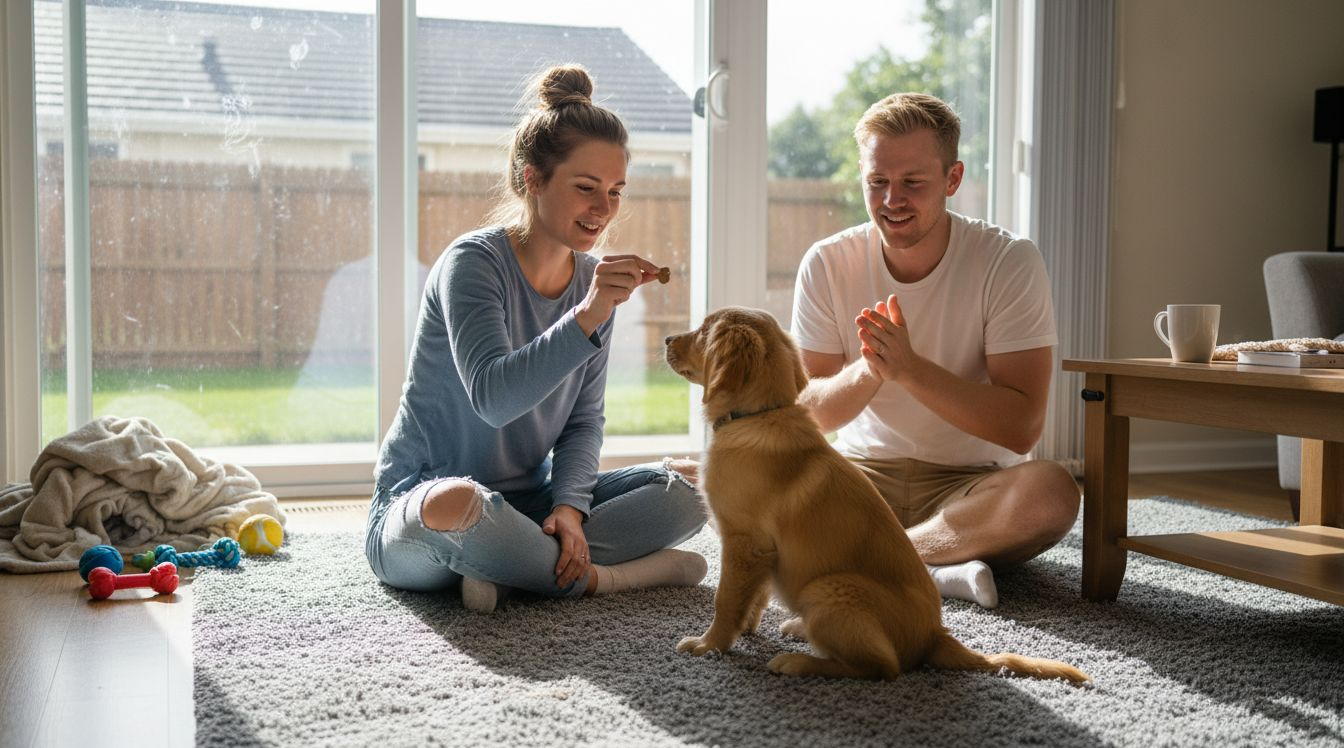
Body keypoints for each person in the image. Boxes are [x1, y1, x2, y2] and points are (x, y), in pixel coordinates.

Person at [365, 65, 707, 613]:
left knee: (694, 487)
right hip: (425, 504)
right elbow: (494, 399)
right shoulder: (471, 264)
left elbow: (583, 422)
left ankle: (508, 567)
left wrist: (570, 507)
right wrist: (589, 314)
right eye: (586, 188)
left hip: (528, 503)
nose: (604, 209)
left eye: (616, 192)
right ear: (532, 179)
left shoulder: (591, 285)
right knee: (460, 504)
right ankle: (606, 578)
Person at [790, 92, 1080, 609]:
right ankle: (937, 567)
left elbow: (1021, 426)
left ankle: (884, 560)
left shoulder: (1008, 260)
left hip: (969, 488)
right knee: (761, 482)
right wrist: (873, 370)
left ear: (952, 180)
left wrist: (911, 369)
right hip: (859, 480)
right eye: (877, 182)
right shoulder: (828, 262)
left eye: (912, 182)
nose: (890, 199)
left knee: (1052, 492)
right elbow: (808, 417)